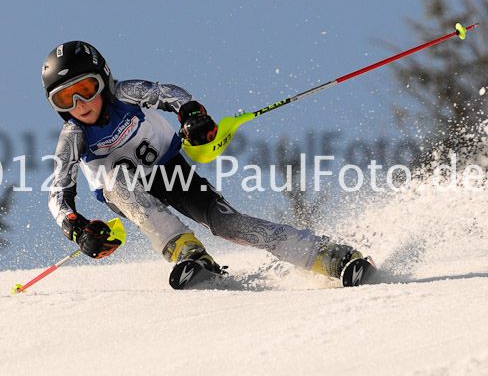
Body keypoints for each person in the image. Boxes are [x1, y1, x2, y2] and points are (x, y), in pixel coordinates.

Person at [42, 41, 365, 281]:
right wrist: (77, 228)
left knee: (228, 224)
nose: (80, 103)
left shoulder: (126, 93)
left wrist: (192, 115)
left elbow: (168, 93)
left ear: (105, 80)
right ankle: (187, 252)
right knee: (118, 182)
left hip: (171, 171)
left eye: (86, 88)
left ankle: (328, 255)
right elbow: (58, 193)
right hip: (124, 193)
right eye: (65, 98)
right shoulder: (73, 137)